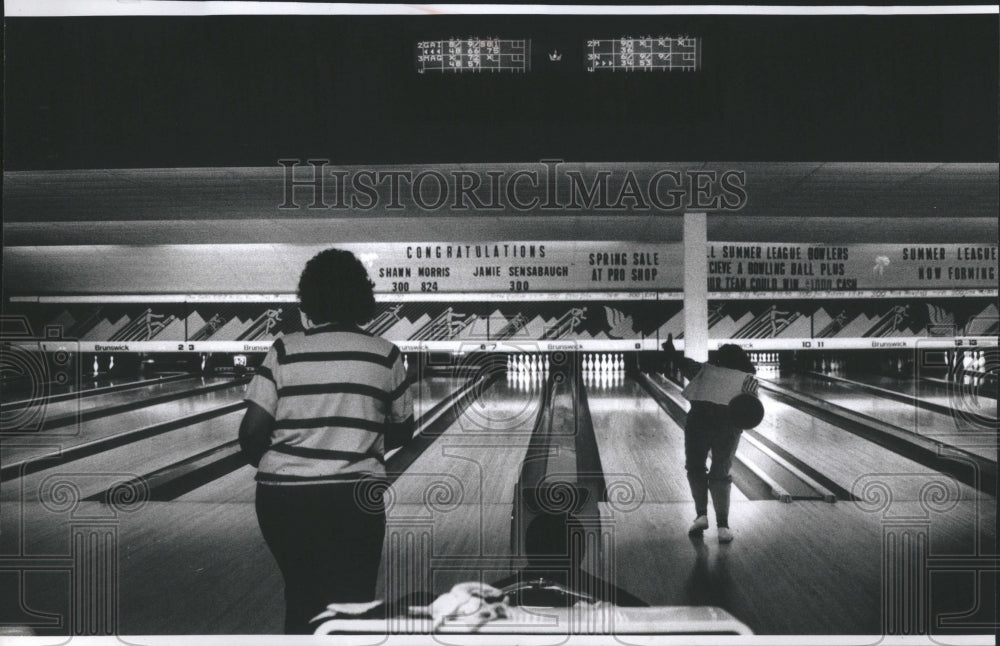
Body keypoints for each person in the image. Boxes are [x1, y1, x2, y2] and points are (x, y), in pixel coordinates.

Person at [238, 248, 414, 633]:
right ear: (363, 298)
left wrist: (287, 464)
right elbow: (404, 429)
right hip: (354, 498)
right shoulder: (386, 354)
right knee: (352, 602)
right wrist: (359, 432)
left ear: (309, 298)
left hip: (282, 498)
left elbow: (250, 434)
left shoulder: (284, 349)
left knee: (302, 594)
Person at [662, 334, 758, 543]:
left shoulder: (702, 371)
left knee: (695, 468)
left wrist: (669, 349)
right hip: (728, 427)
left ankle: (701, 516)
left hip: (698, 423)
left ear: (717, 359)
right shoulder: (748, 380)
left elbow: (681, 362)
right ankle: (723, 526)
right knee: (720, 473)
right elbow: (751, 410)